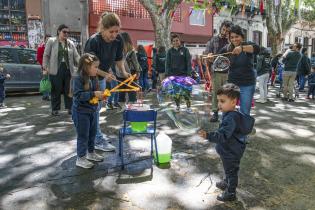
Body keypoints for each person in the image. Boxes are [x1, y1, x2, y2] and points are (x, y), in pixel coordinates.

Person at [198, 83, 254, 202]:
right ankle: (226, 182)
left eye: (222, 101)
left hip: (231, 151)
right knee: (228, 168)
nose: (219, 104)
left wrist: (208, 135)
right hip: (229, 149)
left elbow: (222, 135)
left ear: (233, 102)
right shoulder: (231, 113)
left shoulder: (231, 118)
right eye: (218, 101)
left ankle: (231, 192)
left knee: (231, 171)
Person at [84, 12, 130, 152]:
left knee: (97, 109)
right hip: (88, 79)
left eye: (117, 31)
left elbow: (118, 60)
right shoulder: (94, 41)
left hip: (102, 79)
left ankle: (94, 136)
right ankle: (96, 139)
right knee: (91, 110)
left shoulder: (118, 40)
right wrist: (106, 74)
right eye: (111, 32)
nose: (114, 35)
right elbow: (88, 66)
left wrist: (123, 72)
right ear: (102, 28)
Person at [72, 53, 105, 169]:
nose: (97, 70)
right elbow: (78, 95)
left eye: (97, 67)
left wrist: (101, 96)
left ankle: (91, 153)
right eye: (95, 67)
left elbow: (95, 94)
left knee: (92, 133)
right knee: (83, 135)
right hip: (81, 112)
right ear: (86, 67)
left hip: (92, 110)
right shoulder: (78, 78)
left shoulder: (94, 77)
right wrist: (93, 94)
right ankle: (80, 158)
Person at [218, 25, 260, 115]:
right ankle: (227, 128)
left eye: (237, 36)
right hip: (231, 84)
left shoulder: (247, 44)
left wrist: (242, 48)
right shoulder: (227, 48)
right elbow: (217, 58)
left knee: (244, 112)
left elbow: (257, 49)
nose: (234, 39)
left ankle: (243, 128)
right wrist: (209, 57)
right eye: (232, 37)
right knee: (226, 110)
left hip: (247, 84)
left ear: (242, 37)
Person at [43, 24, 80, 116]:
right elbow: (46, 55)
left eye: (68, 32)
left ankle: (70, 108)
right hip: (55, 69)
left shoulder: (70, 43)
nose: (66, 33)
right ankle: (55, 109)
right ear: (59, 31)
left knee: (69, 89)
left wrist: (82, 64)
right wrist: (45, 67)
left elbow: (76, 56)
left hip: (68, 69)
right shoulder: (51, 41)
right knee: (56, 90)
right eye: (64, 32)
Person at [205, 20, 233, 122]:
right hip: (216, 72)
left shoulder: (231, 42)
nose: (225, 32)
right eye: (223, 29)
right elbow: (207, 53)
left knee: (227, 93)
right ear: (221, 28)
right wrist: (209, 57)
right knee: (216, 93)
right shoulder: (213, 40)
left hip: (228, 72)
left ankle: (226, 113)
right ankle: (215, 113)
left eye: (227, 31)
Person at [165, 33, 193, 113]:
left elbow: (188, 62)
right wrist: (167, 75)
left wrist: (189, 74)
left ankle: (188, 107)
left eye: (177, 40)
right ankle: (178, 106)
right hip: (174, 76)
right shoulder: (169, 51)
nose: (175, 42)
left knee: (186, 93)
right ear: (171, 42)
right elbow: (167, 63)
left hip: (184, 76)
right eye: (173, 41)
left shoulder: (185, 50)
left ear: (179, 41)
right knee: (176, 93)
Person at [116, 32, 141, 104]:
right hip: (131, 73)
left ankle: (122, 106)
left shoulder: (118, 50)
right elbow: (135, 63)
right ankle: (132, 105)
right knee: (131, 90)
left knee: (121, 90)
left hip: (120, 73)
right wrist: (138, 71)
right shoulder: (131, 51)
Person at [37, 34, 51, 101]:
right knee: (46, 81)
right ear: (45, 40)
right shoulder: (41, 47)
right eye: (47, 39)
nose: (48, 40)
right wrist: (44, 66)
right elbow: (39, 58)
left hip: (52, 67)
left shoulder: (52, 47)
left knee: (50, 81)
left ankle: (46, 95)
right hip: (45, 67)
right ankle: (46, 95)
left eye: (49, 39)